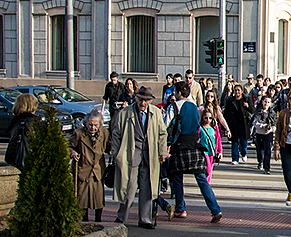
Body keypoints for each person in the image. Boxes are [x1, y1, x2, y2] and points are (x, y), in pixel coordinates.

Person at [110, 86, 168, 229]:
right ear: (136, 98)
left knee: (147, 187)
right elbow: (116, 134)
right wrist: (115, 153)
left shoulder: (155, 113)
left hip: (149, 155)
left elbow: (162, 133)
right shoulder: (125, 113)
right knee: (128, 187)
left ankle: (145, 218)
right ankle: (122, 216)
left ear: (150, 101)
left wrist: (162, 152)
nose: (143, 103)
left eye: (146, 100)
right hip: (130, 154)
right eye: (141, 100)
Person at [168, 82, 223, 223]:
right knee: (202, 179)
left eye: (175, 91)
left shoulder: (175, 106)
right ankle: (215, 209)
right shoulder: (194, 107)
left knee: (176, 176)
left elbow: (165, 125)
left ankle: (181, 208)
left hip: (180, 145)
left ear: (179, 92)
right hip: (194, 145)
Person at [70, 109, 110, 222]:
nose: (92, 128)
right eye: (90, 125)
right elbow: (69, 146)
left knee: (98, 199)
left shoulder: (104, 133)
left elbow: (108, 146)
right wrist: (73, 153)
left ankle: (98, 220)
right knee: (82, 199)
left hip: (97, 170)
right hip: (83, 170)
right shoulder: (79, 134)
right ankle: (84, 220)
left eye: (95, 125)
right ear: (86, 124)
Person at [223, 84, 253, 164]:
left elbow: (253, 110)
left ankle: (243, 153)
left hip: (244, 123)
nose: (237, 92)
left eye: (238, 90)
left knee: (243, 141)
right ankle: (235, 158)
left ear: (242, 91)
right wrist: (225, 126)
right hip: (234, 124)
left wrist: (247, 106)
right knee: (234, 141)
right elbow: (226, 113)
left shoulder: (246, 99)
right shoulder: (230, 100)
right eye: (235, 90)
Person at [253, 94, 277, 174]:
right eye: (265, 102)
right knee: (259, 150)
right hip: (259, 133)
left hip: (268, 135)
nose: (266, 104)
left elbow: (275, 125)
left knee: (268, 151)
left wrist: (270, 129)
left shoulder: (272, 113)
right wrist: (262, 126)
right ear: (262, 102)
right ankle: (260, 162)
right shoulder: (258, 112)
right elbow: (254, 123)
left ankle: (267, 167)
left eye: (268, 102)